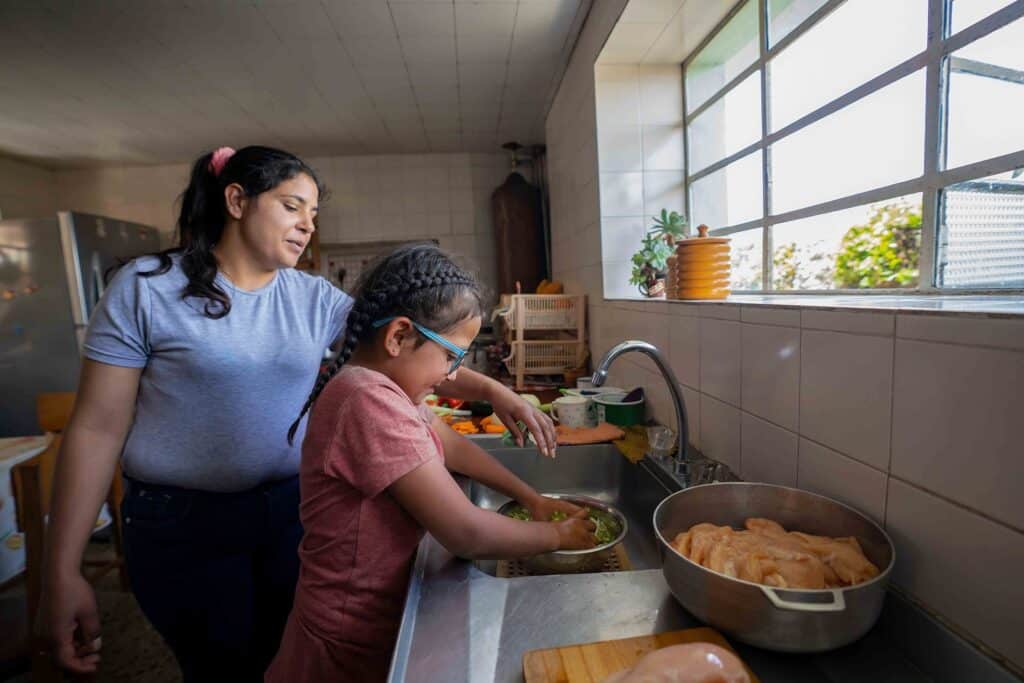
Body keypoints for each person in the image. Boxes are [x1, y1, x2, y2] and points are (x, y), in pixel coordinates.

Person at [37, 146, 559, 682]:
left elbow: (403, 344)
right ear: (236, 200)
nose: (307, 225)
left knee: (285, 658)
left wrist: (495, 391)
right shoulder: (147, 289)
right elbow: (96, 429)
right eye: (292, 206)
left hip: (292, 514)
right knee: (221, 668)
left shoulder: (312, 297)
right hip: (184, 525)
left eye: (313, 213)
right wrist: (63, 569)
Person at [264, 243, 596, 682]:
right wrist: (556, 535)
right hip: (344, 639)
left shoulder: (388, 388)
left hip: (378, 622)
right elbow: (465, 533)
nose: (451, 373)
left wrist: (530, 498)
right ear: (398, 336)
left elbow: (453, 447)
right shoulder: (365, 399)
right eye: (451, 356)